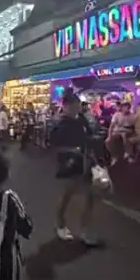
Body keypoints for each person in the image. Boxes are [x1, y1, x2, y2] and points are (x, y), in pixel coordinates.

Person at [49, 90, 98, 245]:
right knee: (67, 194)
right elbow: (53, 143)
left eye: (77, 106)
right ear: (65, 106)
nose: (75, 109)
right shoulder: (60, 123)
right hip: (69, 162)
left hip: (85, 160)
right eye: (72, 106)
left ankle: (84, 230)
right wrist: (72, 150)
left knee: (90, 195)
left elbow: (89, 134)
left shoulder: (81, 119)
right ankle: (61, 224)